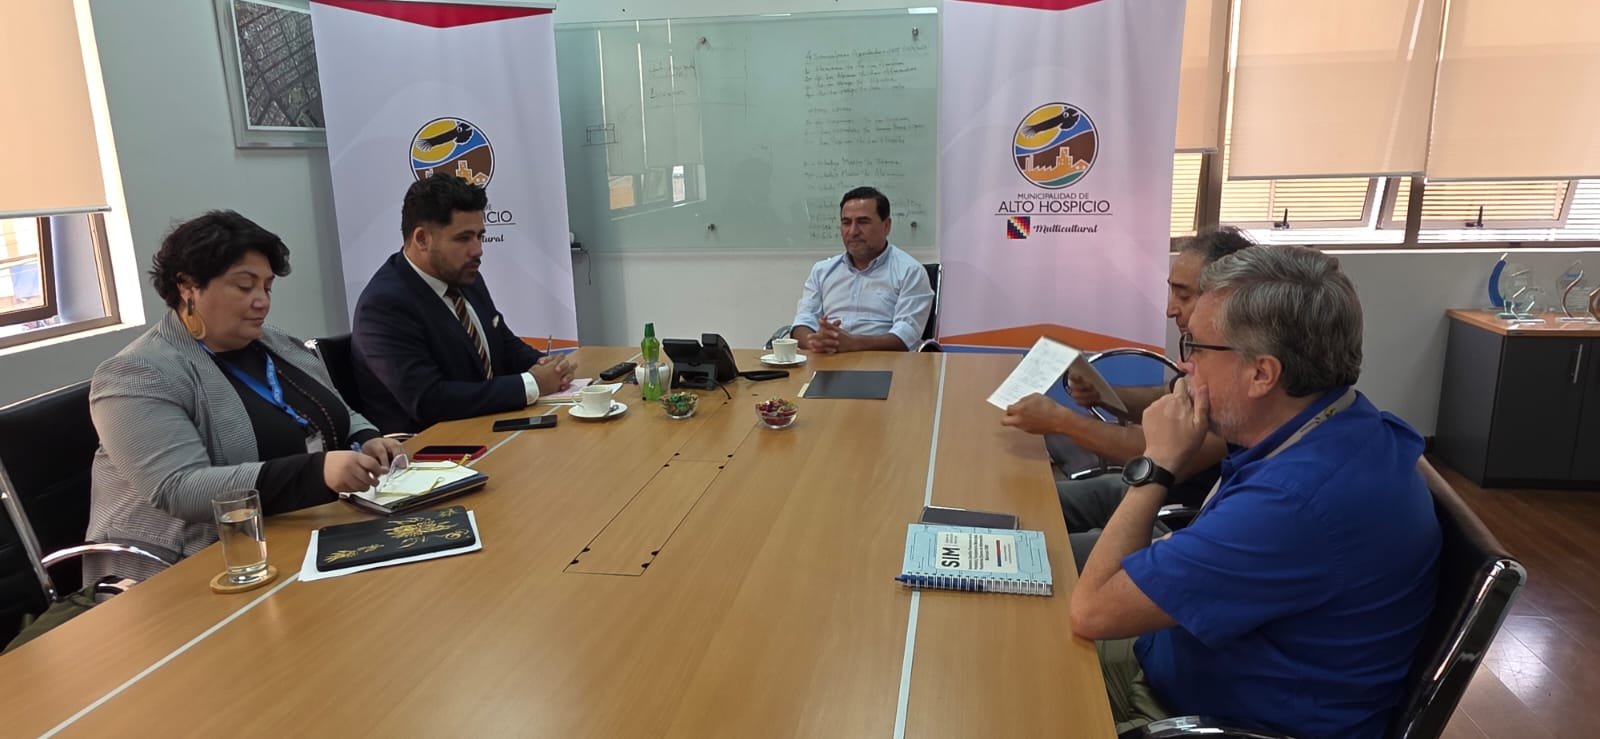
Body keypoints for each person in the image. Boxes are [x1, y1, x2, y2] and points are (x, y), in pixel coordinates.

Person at [1070, 245, 1441, 737]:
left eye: (1196, 348)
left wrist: (1158, 464)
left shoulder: (1295, 501)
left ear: (1262, 374)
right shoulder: (1342, 422)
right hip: (1183, 659)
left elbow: (1092, 610)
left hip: (1196, 715)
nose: (1185, 367)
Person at [85, 211, 404, 583]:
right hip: (187, 570)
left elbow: (335, 408)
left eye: (267, 287)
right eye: (244, 286)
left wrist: (365, 438)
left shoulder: (274, 342)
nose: (261, 301)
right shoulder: (137, 374)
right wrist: (317, 472)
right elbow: (180, 488)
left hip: (290, 535)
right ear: (187, 287)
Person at [1000, 227, 1253, 567]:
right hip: (1150, 490)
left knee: (1039, 558)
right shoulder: (1210, 354)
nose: (1170, 309)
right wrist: (1107, 397)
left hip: (1172, 515)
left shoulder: (1237, 381)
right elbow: (1168, 396)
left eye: (1183, 295)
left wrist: (1059, 421)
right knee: (1018, 500)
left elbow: (1158, 451)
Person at [351, 173, 575, 433]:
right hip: (428, 445)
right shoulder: (384, 306)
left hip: (485, 426)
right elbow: (429, 400)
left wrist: (550, 368)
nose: (477, 250)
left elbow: (503, 345)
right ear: (422, 239)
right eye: (463, 238)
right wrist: (532, 384)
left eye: (480, 236)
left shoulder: (464, 277)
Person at [789, 186, 934, 353]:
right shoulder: (822, 271)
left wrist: (853, 344)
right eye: (846, 222)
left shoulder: (910, 272)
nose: (853, 231)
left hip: (884, 363)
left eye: (863, 222)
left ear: (886, 226)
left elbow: (904, 337)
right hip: (828, 360)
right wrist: (816, 342)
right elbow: (802, 323)